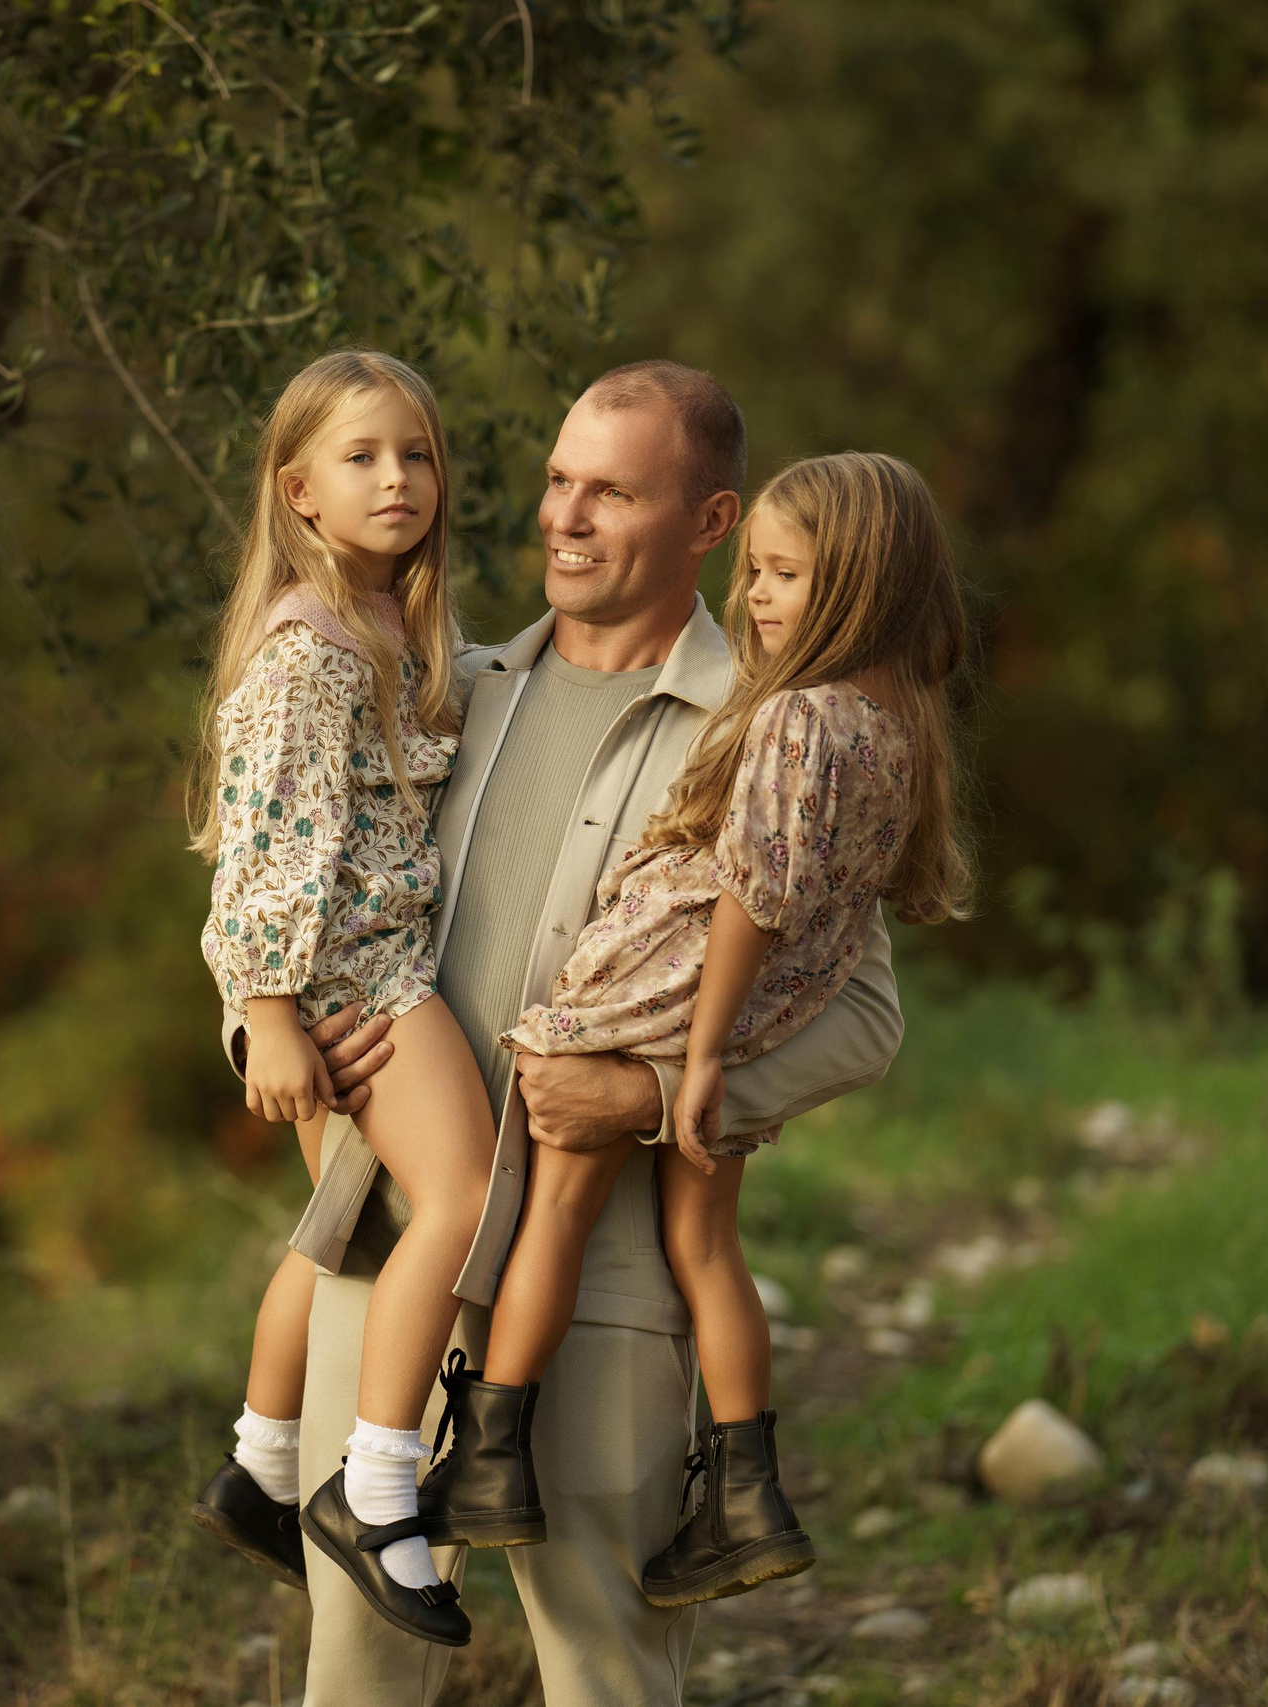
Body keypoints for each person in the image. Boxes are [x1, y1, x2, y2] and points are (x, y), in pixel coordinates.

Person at [225, 361, 908, 1704]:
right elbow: (277, 866)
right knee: (353, 1674)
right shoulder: (441, 691)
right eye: (556, 482)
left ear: (710, 522)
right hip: (390, 1262)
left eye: (613, 493)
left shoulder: (771, 732)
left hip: (603, 1289)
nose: (567, 518)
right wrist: (264, 1043)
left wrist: (648, 1097)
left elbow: (867, 1017)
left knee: (607, 1668)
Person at [419, 451, 973, 1608]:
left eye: (784, 575)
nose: (755, 596)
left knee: (555, 1214)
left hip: (661, 996)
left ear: (859, 584)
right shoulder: (898, 726)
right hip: (768, 1011)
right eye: (755, 571)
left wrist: (700, 1049)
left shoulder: (793, 719)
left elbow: (752, 895)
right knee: (707, 1249)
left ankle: (488, 1459)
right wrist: (728, 1047)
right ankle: (744, 1494)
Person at [185, 349, 495, 1648]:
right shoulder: (308, 655)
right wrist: (268, 1013)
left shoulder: (388, 625)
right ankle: (374, 1489)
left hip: (352, 964)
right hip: (352, 974)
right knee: (466, 1198)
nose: (397, 478)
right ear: (298, 490)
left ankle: (260, 1465)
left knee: (343, 1232)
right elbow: (262, 845)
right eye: (361, 457)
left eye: (416, 454)